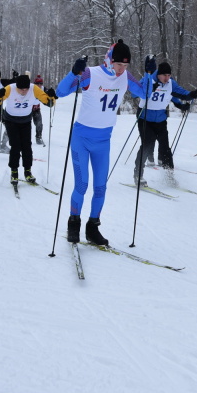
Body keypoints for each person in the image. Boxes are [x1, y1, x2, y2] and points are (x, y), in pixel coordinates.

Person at [55, 39, 150, 246]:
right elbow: (61, 92)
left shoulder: (125, 77)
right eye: (118, 65)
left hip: (103, 140)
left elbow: (145, 94)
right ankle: (74, 223)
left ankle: (92, 228)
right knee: (82, 184)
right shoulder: (91, 74)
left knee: (100, 188)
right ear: (109, 60)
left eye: (125, 66)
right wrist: (74, 72)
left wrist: (150, 75)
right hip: (82, 138)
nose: (121, 70)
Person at [133, 60, 197, 187]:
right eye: (165, 75)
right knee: (147, 145)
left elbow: (181, 93)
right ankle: (138, 175)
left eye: (169, 75)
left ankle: (169, 175)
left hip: (161, 119)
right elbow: (134, 93)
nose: (167, 78)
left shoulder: (170, 83)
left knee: (165, 147)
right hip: (145, 117)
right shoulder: (148, 79)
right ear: (158, 74)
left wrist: (191, 95)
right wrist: (148, 89)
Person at [0, 74, 56, 184]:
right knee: (15, 146)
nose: (24, 91)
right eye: (21, 89)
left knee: (27, 146)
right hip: (11, 121)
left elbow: (49, 103)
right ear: (17, 87)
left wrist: (52, 96)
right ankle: (14, 172)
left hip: (25, 121)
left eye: (26, 89)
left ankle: (27, 171)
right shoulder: (9, 88)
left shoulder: (34, 88)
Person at [32, 74, 46, 146]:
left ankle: (38, 137)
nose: (39, 85)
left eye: (40, 83)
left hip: (36, 109)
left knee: (39, 124)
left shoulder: (43, 89)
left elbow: (48, 93)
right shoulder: (31, 88)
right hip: (28, 109)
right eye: (37, 83)